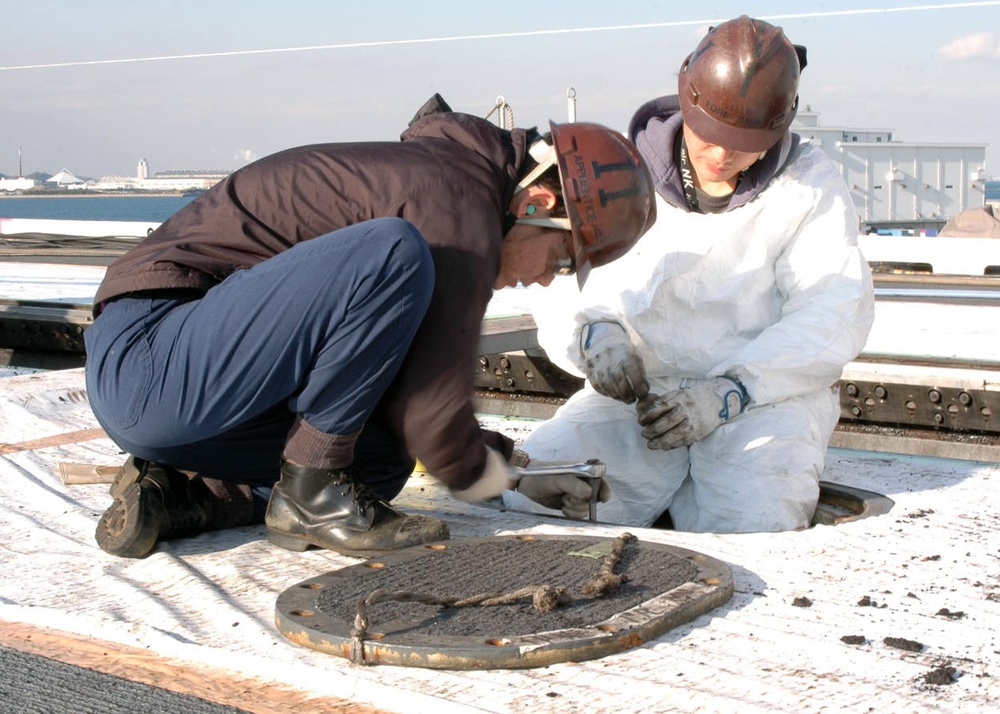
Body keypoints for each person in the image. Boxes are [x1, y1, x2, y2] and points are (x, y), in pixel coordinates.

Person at [85, 96, 656, 558]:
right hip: (149, 360)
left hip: (189, 398)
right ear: (538, 201)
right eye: (560, 259)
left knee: (378, 465)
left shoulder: (450, 191)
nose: (546, 280)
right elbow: (434, 411)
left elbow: (413, 416)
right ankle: (309, 488)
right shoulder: (455, 203)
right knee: (390, 253)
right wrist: (504, 478)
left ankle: (179, 493)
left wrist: (508, 472)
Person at [511, 16, 875, 532]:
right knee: (543, 495)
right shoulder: (619, 167)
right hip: (639, 401)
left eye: (746, 142)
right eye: (711, 136)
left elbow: (831, 312)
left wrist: (732, 391)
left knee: (753, 520)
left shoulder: (809, 187)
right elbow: (563, 274)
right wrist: (591, 333)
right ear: (686, 102)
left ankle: (704, 488)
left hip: (760, 399)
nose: (724, 156)